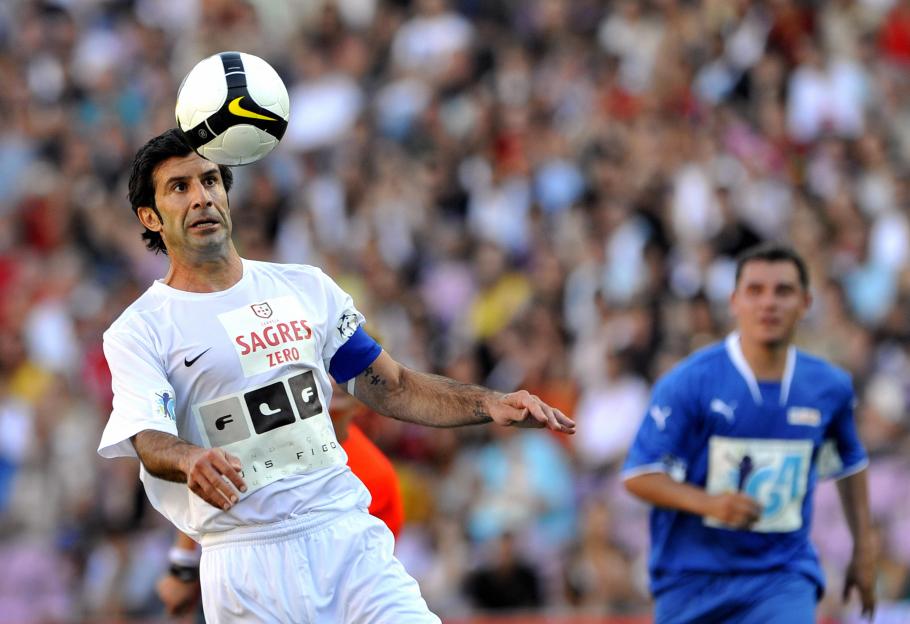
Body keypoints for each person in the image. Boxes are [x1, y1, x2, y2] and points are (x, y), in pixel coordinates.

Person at [97, 128, 575, 624]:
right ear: (150, 217)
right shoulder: (140, 329)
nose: (201, 197)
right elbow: (148, 438)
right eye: (180, 187)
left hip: (346, 539)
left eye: (210, 180)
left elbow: (393, 386)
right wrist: (190, 457)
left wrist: (488, 403)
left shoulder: (304, 288)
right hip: (246, 562)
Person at [622, 243, 875, 624]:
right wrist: (710, 504)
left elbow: (849, 461)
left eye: (783, 291)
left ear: (806, 302)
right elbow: (639, 475)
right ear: (734, 301)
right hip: (692, 580)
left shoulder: (829, 387)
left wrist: (864, 550)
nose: (768, 303)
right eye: (755, 291)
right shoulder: (689, 382)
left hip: (781, 576)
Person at [155, 384, 405, 618]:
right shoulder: (269, 427)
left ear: (362, 400)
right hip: (241, 578)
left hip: (328, 597)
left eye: (344, 377)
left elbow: (367, 564)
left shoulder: (377, 473)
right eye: (329, 368)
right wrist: (183, 565)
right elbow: (212, 482)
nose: (334, 382)